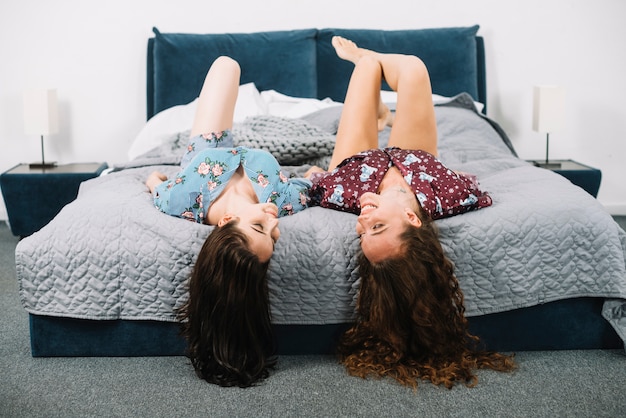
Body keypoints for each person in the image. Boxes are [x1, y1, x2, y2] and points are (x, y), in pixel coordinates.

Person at [307, 37, 516, 389]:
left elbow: (316, 186)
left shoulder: (350, 196)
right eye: (376, 226)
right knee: (416, 68)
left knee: (366, 70)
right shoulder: (444, 197)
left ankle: (368, 69)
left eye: (362, 233)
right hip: (416, 159)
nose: (361, 221)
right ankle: (375, 84)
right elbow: (479, 194)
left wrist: (314, 178)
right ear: (412, 219)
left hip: (356, 167)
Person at [145, 56, 311, 388]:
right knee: (230, 67)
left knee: (226, 65)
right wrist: (313, 175)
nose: (273, 220)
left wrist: (153, 179)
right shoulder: (281, 201)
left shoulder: (182, 200)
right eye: (274, 236)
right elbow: (310, 184)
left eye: (260, 227)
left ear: (229, 220)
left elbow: (157, 185)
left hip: (206, 147)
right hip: (241, 153)